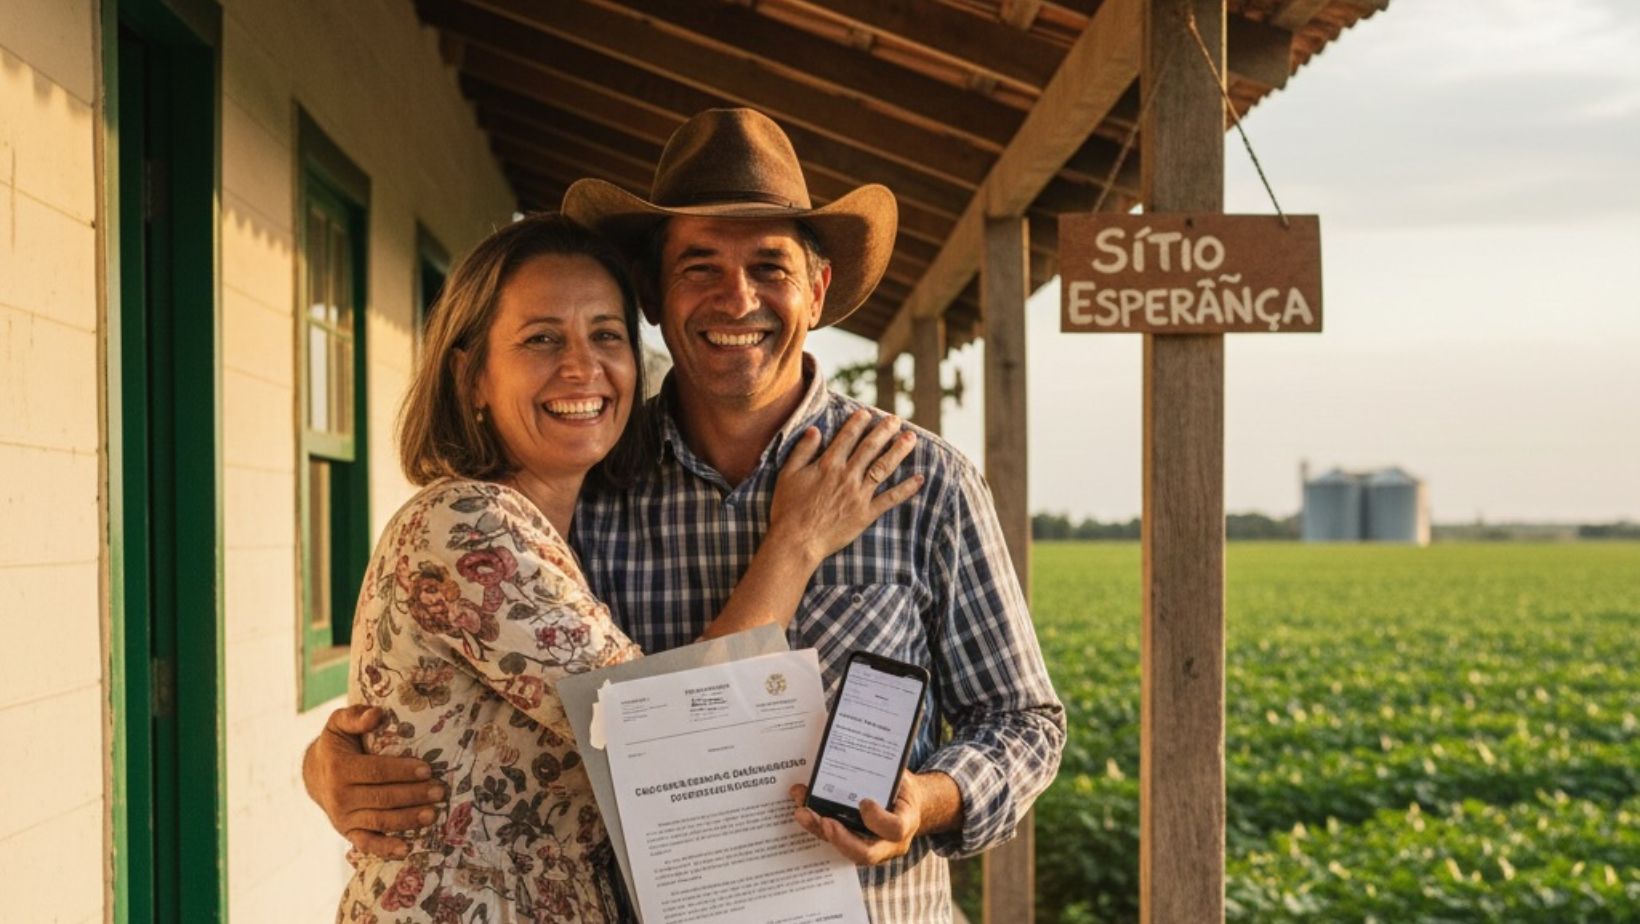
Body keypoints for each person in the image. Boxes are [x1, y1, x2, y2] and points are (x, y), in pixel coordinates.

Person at [308, 108, 1066, 923]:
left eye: (770, 266)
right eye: (699, 266)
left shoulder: (921, 479)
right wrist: (336, 760)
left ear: (816, 291)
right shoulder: (583, 487)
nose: (737, 298)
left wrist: (927, 797)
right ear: (655, 294)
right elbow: (619, 727)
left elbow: (1023, 721)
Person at [332, 212, 924, 923]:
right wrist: (796, 541)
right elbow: (664, 737)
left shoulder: (566, 525)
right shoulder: (468, 525)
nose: (582, 367)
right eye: (542, 338)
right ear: (471, 376)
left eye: (606, 335)